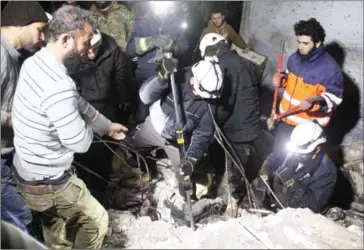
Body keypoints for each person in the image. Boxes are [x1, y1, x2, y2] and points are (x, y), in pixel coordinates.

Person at [10, 5, 128, 249]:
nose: (89, 51)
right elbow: (81, 143)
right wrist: (84, 124)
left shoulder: (35, 62)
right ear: (65, 40)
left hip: (26, 174)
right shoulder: (59, 85)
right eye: (85, 43)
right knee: (97, 221)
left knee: (55, 225)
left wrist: (106, 126)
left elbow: (77, 101)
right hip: (50, 182)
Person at [130, 58, 223, 202]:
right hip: (154, 126)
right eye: (204, 93)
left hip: (177, 142)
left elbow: (203, 134)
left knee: (185, 176)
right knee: (134, 149)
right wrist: (161, 78)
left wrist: (191, 160)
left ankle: (188, 202)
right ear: (194, 80)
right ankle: (149, 172)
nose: (207, 98)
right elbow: (145, 96)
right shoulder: (175, 77)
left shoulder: (209, 103)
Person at [198, 33, 272, 212]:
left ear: (211, 52)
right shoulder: (244, 62)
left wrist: (209, 125)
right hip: (252, 124)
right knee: (245, 163)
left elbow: (224, 106)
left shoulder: (224, 68)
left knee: (234, 170)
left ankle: (233, 203)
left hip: (238, 130)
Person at [71, 29, 145, 193]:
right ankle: (86, 185)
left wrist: (124, 102)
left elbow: (122, 77)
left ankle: (102, 186)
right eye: (87, 50)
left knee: (104, 151)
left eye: (95, 50)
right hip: (83, 105)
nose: (90, 54)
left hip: (107, 105)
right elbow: (70, 83)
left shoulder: (112, 49)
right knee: (85, 150)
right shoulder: (72, 52)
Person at [1, 1, 49, 233]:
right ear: (21, 24)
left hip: (6, 152)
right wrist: (8, 119)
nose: (42, 38)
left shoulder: (13, 56)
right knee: (20, 218)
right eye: (40, 29)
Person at [271, 18, 344, 162]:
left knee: (297, 165)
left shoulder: (330, 69)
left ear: (318, 43)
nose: (300, 47)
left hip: (307, 130)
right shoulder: (294, 59)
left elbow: (335, 99)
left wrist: (314, 101)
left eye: (305, 43)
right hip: (285, 121)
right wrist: (280, 79)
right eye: (299, 42)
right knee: (278, 158)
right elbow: (287, 76)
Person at [253, 120, 338, 214]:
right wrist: (265, 172)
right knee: (257, 185)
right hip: (279, 191)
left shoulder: (326, 171)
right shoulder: (295, 147)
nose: (295, 153)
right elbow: (274, 158)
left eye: (300, 152)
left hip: (296, 208)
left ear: (317, 149)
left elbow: (313, 205)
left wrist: (291, 182)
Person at [126, 1, 189, 124]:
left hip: (167, 77)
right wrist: (151, 41)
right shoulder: (141, 23)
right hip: (145, 76)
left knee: (164, 115)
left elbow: (185, 46)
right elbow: (130, 49)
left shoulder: (176, 23)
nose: (160, 8)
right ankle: (140, 135)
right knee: (142, 115)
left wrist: (174, 46)